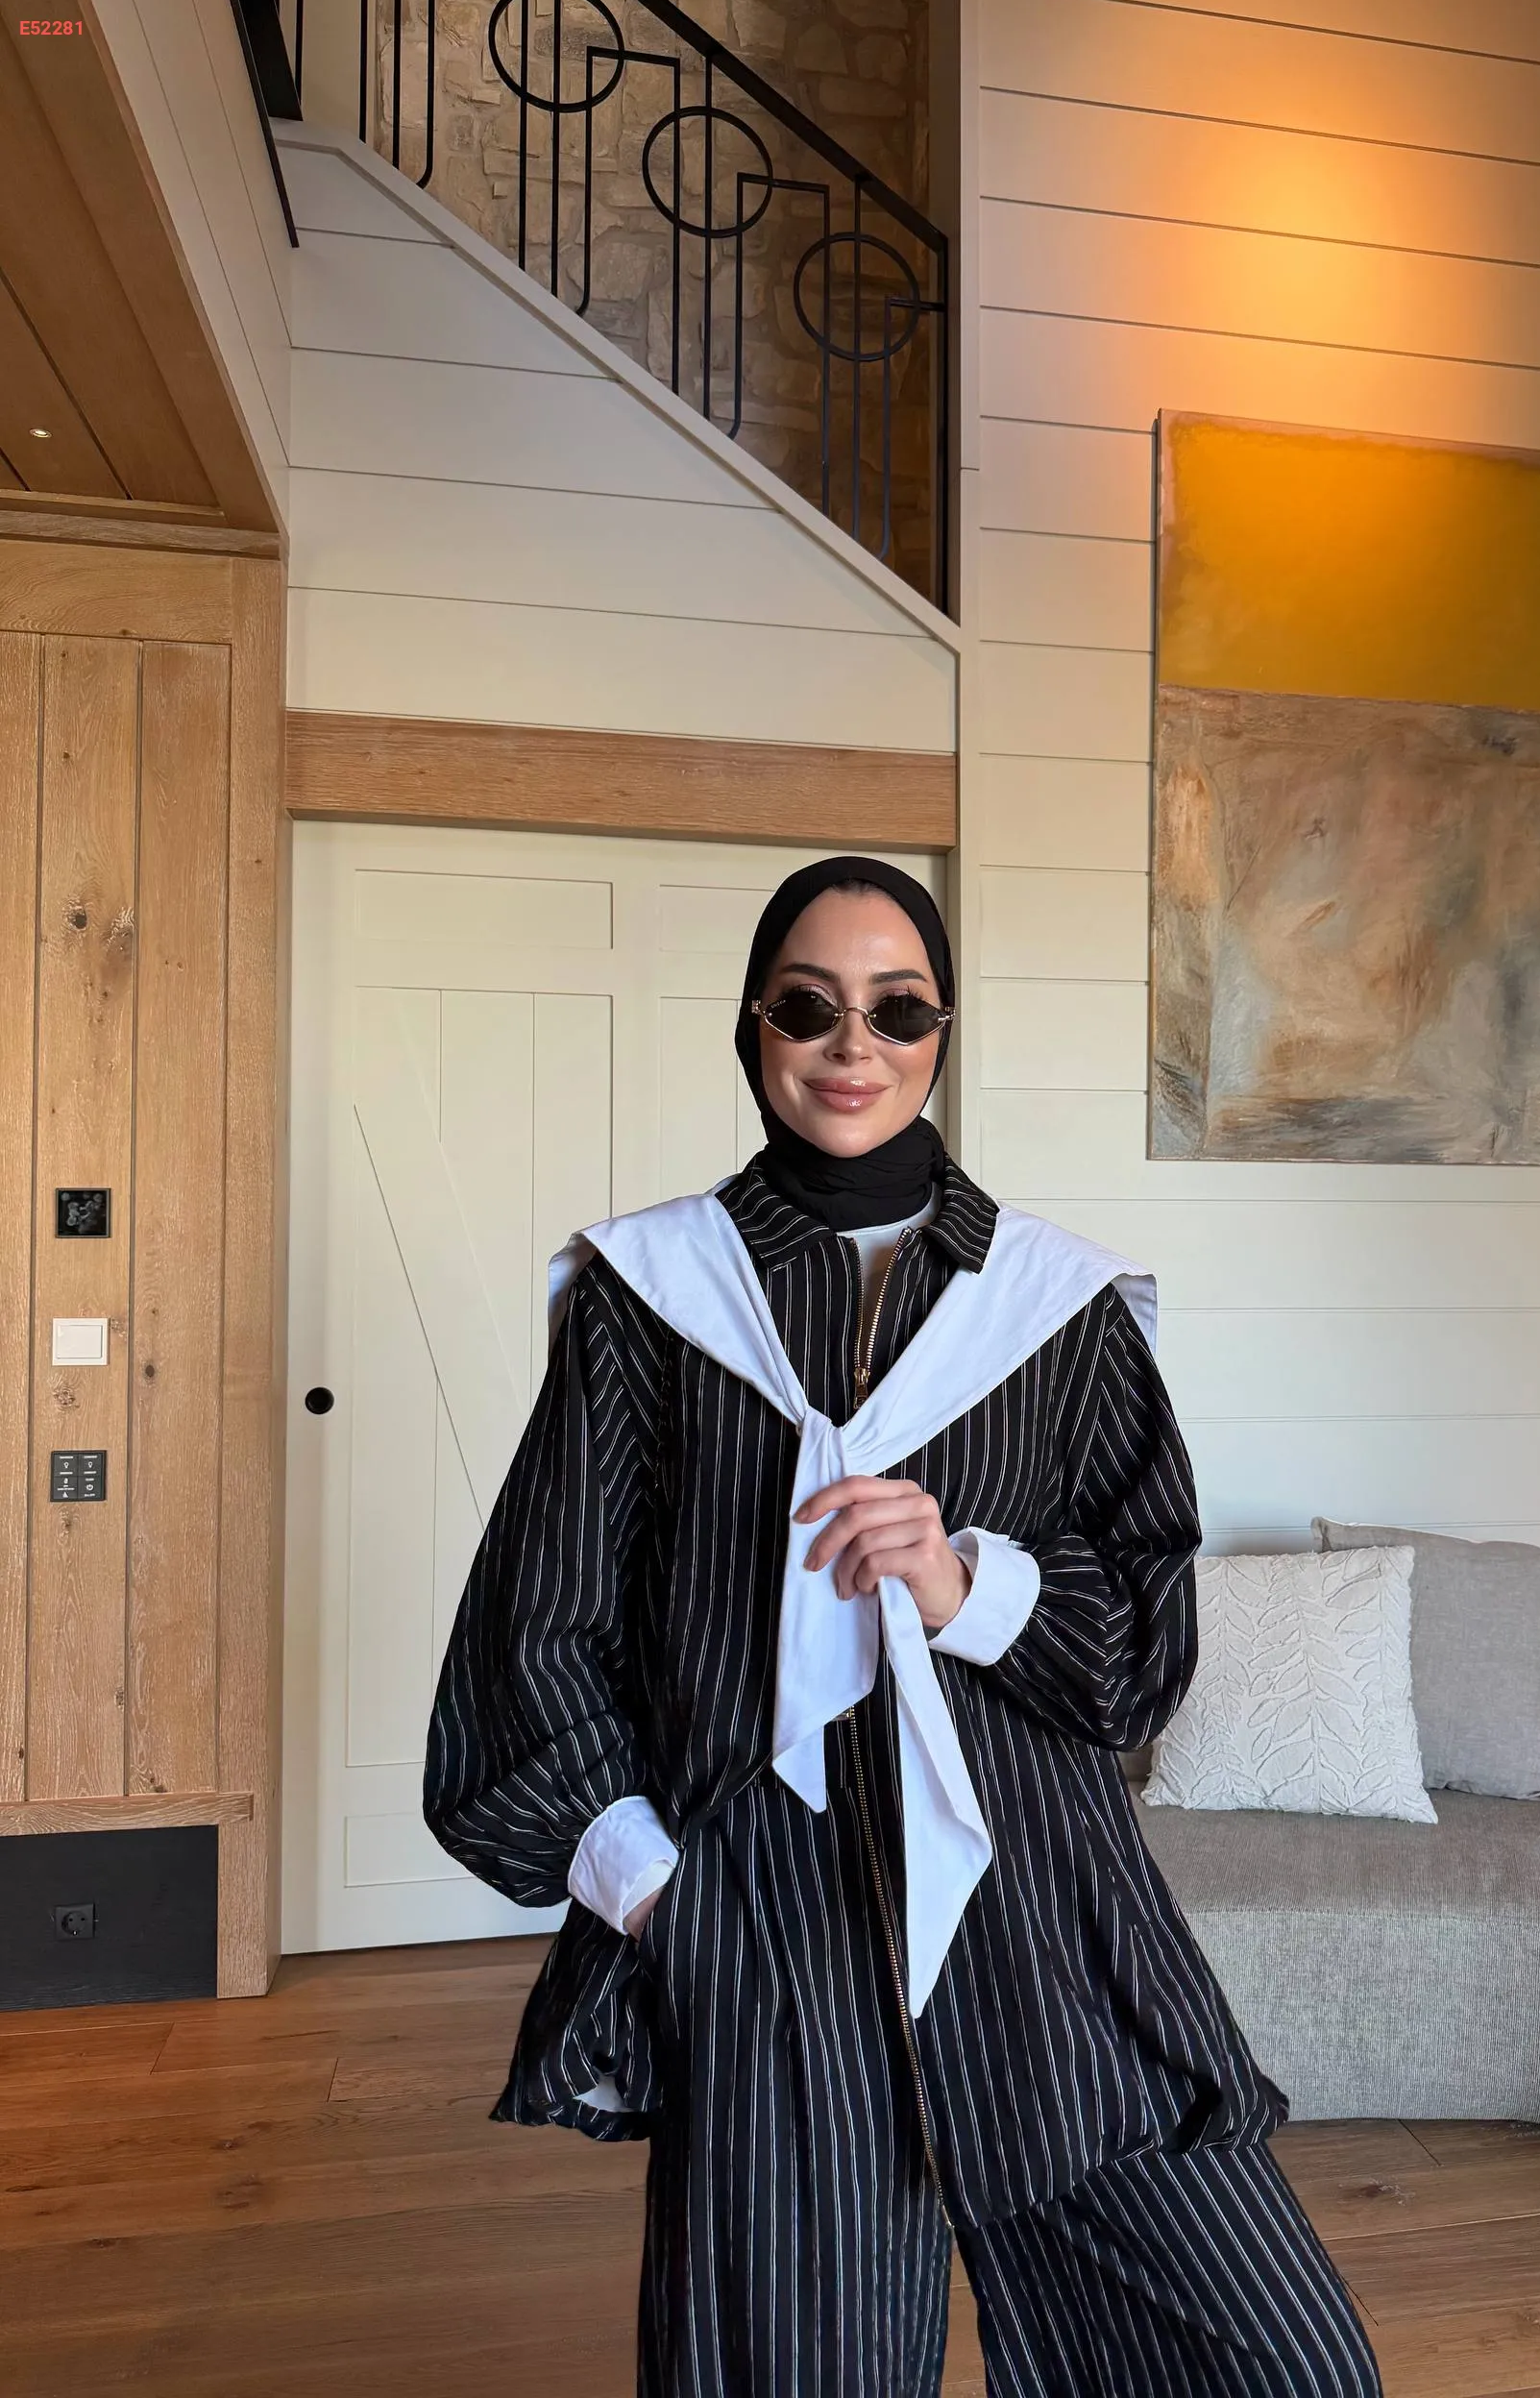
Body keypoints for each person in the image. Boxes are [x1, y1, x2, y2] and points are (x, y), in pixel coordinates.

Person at [426, 855, 1381, 2398]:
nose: (851, 1045)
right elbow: (534, 1637)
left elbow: (1145, 1649)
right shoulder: (650, 1300)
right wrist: (663, 1900)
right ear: (754, 1028)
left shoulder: (1058, 1312)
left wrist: (963, 1586)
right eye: (809, 1007)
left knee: (1278, 2364)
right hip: (765, 1915)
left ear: (943, 1032)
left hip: (1042, 1903)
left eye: (897, 1008)